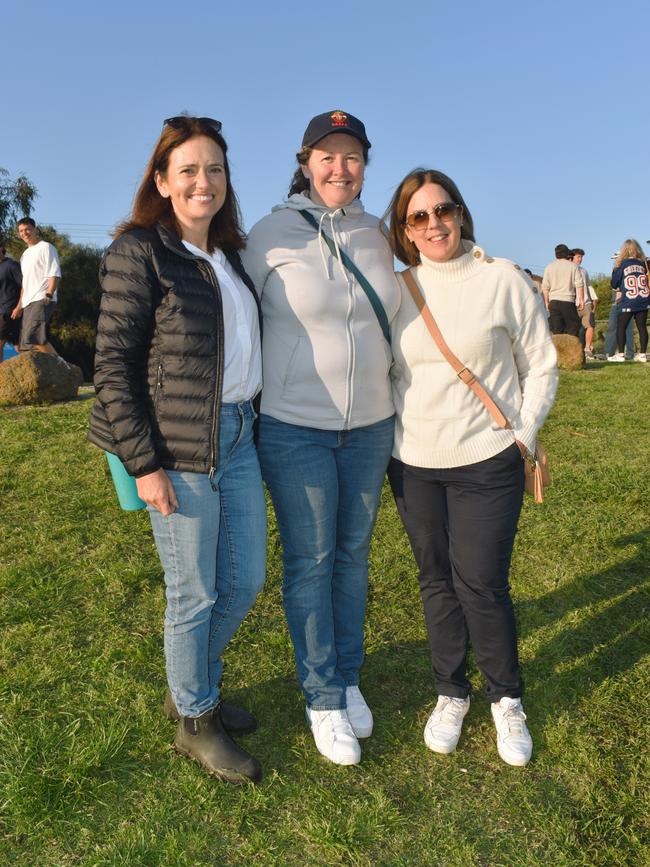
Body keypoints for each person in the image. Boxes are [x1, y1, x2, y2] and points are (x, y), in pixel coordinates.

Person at [87, 115, 266, 784]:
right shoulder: (141, 251)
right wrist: (145, 464)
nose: (204, 180)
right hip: (178, 447)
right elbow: (113, 365)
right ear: (161, 181)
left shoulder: (230, 257)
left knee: (243, 579)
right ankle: (195, 718)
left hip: (241, 437)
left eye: (214, 168)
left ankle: (190, 681)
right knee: (193, 591)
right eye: (187, 169)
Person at [243, 110, 401, 766]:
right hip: (295, 428)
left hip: (368, 427)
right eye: (328, 156)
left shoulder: (380, 235)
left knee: (354, 556)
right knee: (311, 559)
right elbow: (230, 314)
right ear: (306, 161)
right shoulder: (269, 235)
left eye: (352, 156)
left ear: (365, 164)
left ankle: (348, 673)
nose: (341, 168)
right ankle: (322, 695)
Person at [386, 168, 558, 767]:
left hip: (487, 459)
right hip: (412, 463)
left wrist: (523, 431)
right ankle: (450, 691)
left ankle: (506, 698)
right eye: (419, 216)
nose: (434, 224)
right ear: (405, 230)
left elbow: (542, 364)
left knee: (480, 583)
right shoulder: (395, 288)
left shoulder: (502, 278)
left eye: (443, 210)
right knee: (436, 582)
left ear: (460, 213)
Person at [11, 217, 62, 355]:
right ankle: (48, 370)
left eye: (27, 229)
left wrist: (49, 294)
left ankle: (63, 369)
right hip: (28, 302)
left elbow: (54, 273)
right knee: (25, 344)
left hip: (42, 298)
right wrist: (20, 305)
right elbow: (25, 283)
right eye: (21, 231)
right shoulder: (25, 255)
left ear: (35, 229)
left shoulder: (46, 247)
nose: (25, 233)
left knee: (34, 338)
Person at [610, 239, 649, 362]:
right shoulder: (644, 263)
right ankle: (642, 354)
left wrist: (615, 269)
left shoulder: (622, 264)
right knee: (642, 327)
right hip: (643, 299)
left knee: (621, 327)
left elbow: (614, 284)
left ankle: (621, 354)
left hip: (629, 300)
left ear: (624, 250)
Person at [541, 243, 584, 336]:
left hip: (554, 302)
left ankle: (558, 350)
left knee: (557, 330)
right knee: (573, 327)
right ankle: (571, 349)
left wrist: (546, 302)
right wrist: (580, 300)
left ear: (556, 254)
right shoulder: (573, 266)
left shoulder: (549, 267)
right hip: (568, 301)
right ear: (567, 254)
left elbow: (545, 287)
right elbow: (579, 284)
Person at [571, 248, 597, 358]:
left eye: (581, 257)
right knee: (574, 329)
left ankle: (587, 349)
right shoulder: (569, 269)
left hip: (586, 303)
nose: (580, 259)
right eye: (578, 257)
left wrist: (594, 299)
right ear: (572, 257)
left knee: (590, 325)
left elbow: (589, 286)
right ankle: (575, 351)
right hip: (573, 303)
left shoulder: (584, 271)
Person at [0, 243, 22, 359]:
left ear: (2, 249)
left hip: (9, 311)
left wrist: (19, 307)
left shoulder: (11, 265)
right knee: (18, 347)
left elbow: (25, 285)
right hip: (3, 310)